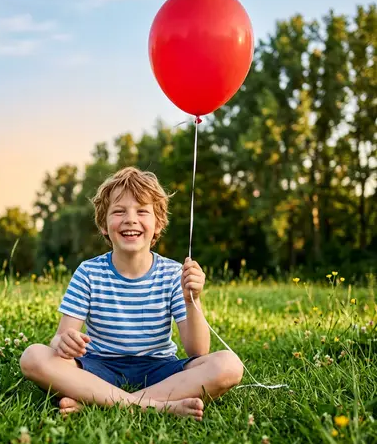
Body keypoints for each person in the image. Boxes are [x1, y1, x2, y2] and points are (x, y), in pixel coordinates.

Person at [20, 167, 243, 420]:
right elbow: (59, 339)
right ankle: (154, 406)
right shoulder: (88, 272)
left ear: (158, 224)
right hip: (99, 366)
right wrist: (63, 343)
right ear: (104, 225)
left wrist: (194, 300)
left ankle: (101, 401)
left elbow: (198, 351)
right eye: (119, 211)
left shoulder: (173, 273)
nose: (130, 219)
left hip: (159, 368)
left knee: (229, 365)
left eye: (142, 211)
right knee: (33, 356)